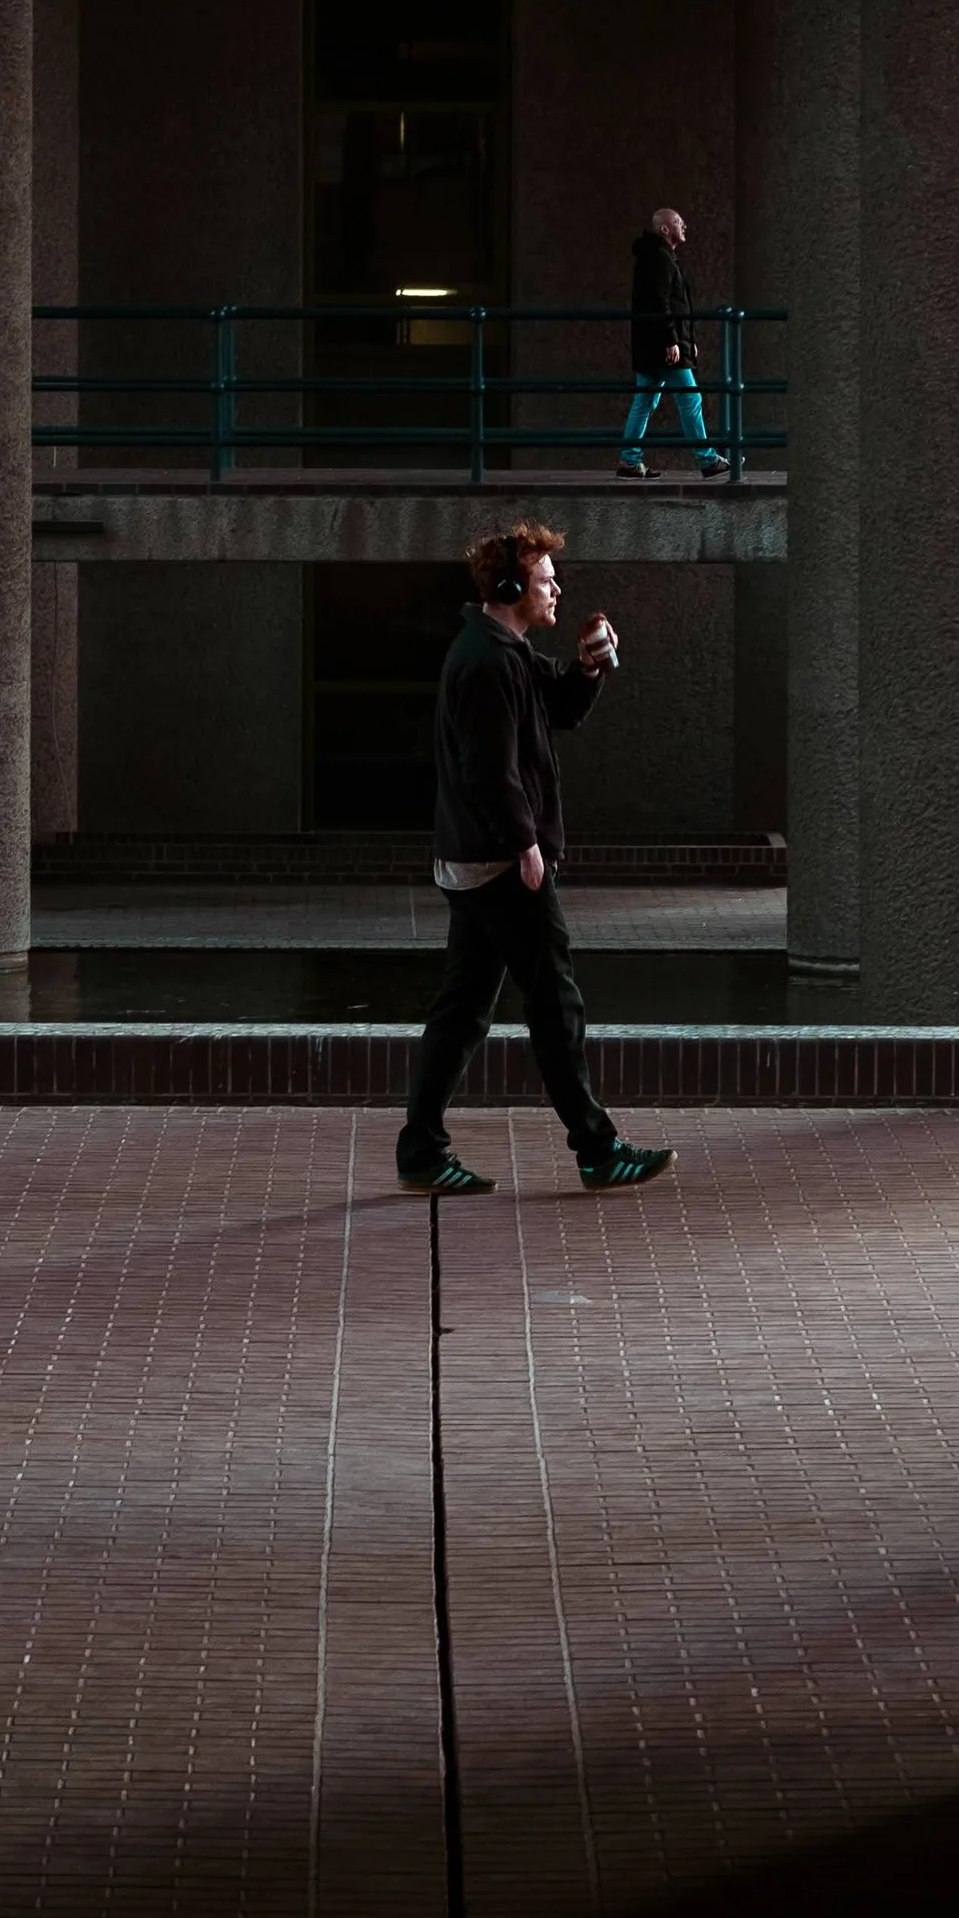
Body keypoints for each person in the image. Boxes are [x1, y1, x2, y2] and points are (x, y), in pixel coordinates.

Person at [396, 522, 676, 1197]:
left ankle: (421, 1152)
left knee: (463, 1009)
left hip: (476, 861)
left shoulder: (503, 649)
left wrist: (586, 665)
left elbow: (560, 710)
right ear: (513, 586)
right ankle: (597, 1148)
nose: (557, 589)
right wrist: (526, 847)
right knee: (555, 1002)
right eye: (547, 579)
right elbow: (489, 772)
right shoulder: (488, 662)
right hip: (498, 863)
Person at [619, 205, 729, 477]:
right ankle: (706, 460)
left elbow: (669, 303)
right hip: (664, 347)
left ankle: (629, 459)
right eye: (679, 222)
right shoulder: (660, 258)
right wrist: (672, 341)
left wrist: (685, 339)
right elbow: (662, 302)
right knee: (689, 398)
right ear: (665, 229)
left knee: (644, 401)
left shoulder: (656, 256)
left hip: (653, 344)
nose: (685, 226)